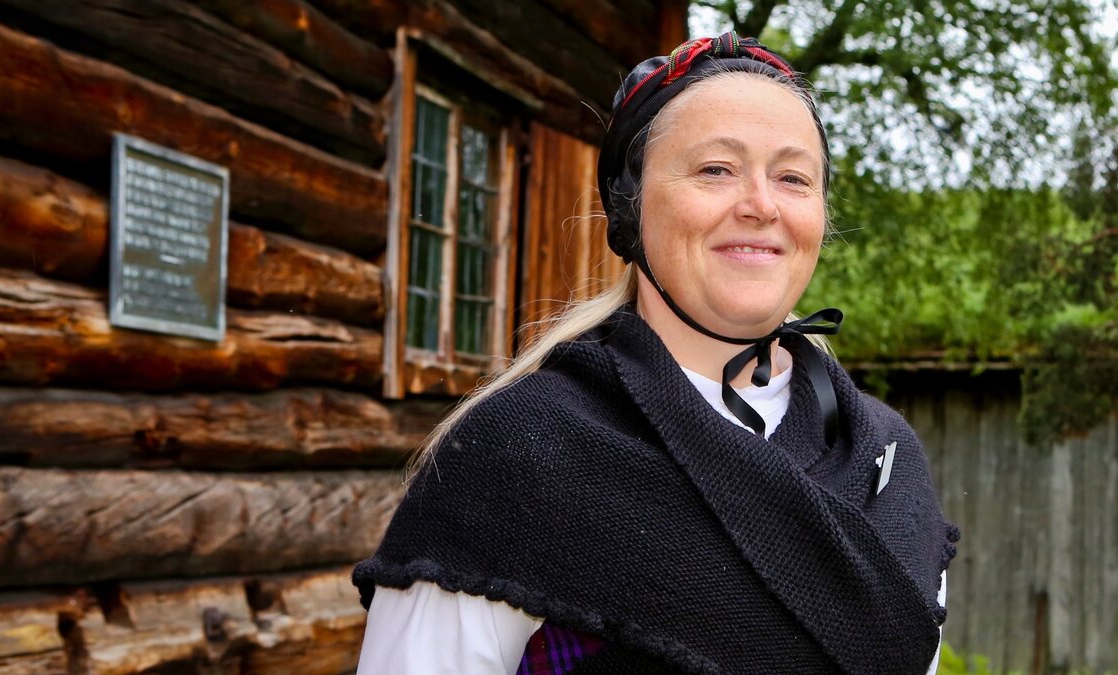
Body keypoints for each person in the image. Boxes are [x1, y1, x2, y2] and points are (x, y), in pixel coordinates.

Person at [352, 33, 959, 674]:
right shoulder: (515, 453)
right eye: (715, 169)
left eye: (793, 178)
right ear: (629, 206)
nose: (761, 205)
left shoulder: (884, 458)